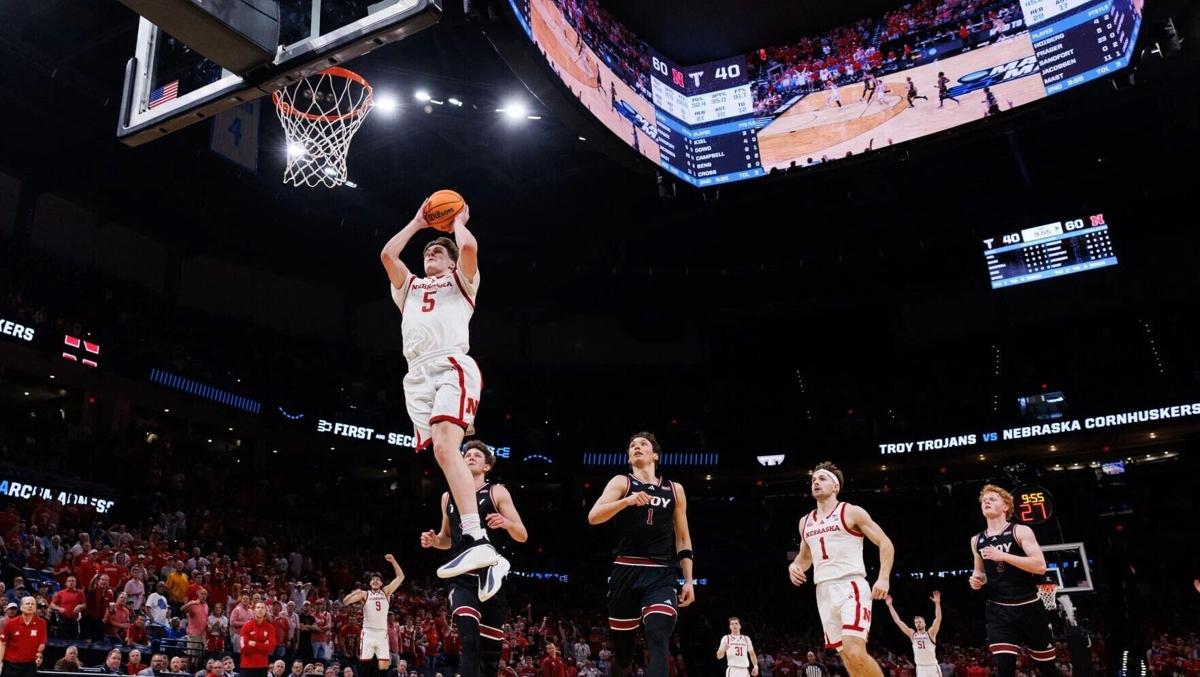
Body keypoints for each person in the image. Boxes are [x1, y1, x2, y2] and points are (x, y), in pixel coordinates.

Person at [380, 198, 504, 594]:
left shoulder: (462, 281)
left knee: (448, 447)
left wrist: (459, 224)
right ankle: (488, 556)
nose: (430, 253)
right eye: (427, 251)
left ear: (450, 264)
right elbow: (387, 254)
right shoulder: (410, 287)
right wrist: (418, 222)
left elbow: (468, 249)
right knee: (443, 453)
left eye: (438, 251)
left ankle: (477, 538)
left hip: (450, 363)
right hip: (415, 376)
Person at [588, 432, 696, 677]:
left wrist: (688, 579)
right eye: (632, 445)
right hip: (625, 570)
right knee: (624, 655)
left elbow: (682, 537)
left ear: (655, 455)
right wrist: (626, 502)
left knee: (658, 638)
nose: (637, 447)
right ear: (628, 456)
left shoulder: (674, 489)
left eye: (643, 444)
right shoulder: (621, 482)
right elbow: (593, 517)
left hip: (661, 573)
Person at [422, 441, 528, 677]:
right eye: (466, 454)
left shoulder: (497, 491)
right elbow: (446, 538)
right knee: (469, 640)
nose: (470, 457)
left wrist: (506, 523)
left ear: (487, 466)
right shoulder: (447, 497)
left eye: (476, 455)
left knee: (490, 659)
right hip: (461, 578)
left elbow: (522, 534)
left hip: (491, 575)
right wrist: (434, 540)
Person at [788, 462, 895, 677]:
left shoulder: (851, 512)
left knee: (855, 650)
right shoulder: (805, 522)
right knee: (846, 655)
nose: (816, 482)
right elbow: (805, 558)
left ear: (836, 486)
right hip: (824, 590)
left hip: (851, 585)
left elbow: (885, 543)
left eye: (822, 478)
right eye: (813, 480)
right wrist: (794, 566)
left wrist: (883, 578)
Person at [970, 485, 1062, 677]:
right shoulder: (976, 540)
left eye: (993, 499)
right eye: (984, 500)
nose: (986, 501)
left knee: (1047, 668)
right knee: (1004, 668)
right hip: (999, 610)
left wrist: (1003, 556)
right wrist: (977, 580)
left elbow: (1040, 566)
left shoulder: (1020, 531)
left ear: (1006, 507)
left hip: (1029, 607)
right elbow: (980, 573)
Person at [342, 555, 406, 677]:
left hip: (382, 633)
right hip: (368, 633)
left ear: (381, 583)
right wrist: (354, 594)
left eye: (378, 579)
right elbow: (345, 602)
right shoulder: (365, 594)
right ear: (370, 583)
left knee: (383, 666)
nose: (375, 581)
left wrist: (393, 561)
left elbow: (400, 577)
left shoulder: (386, 592)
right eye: (373, 579)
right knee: (365, 665)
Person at [885, 592, 943, 677]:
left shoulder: (930, 633)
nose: (918, 623)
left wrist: (937, 603)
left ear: (925, 624)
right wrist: (890, 606)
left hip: (932, 667)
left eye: (920, 622)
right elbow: (898, 621)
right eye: (916, 622)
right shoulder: (912, 635)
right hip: (920, 668)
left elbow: (938, 619)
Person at [0, 597, 47, 677]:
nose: (30, 606)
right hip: (11, 666)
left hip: (30, 666)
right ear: (21, 607)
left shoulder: (41, 623)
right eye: (27, 603)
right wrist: (0, 663)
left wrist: (39, 651)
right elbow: (2, 643)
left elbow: (42, 643)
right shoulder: (11, 623)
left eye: (33, 604)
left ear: (35, 607)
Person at [241, 602, 279, 677]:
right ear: (254, 610)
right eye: (258, 607)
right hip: (247, 666)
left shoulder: (270, 628)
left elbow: (271, 648)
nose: (260, 610)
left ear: (265, 611)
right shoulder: (246, 626)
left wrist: (254, 644)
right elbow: (244, 648)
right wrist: (263, 645)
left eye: (262, 608)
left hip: (262, 667)